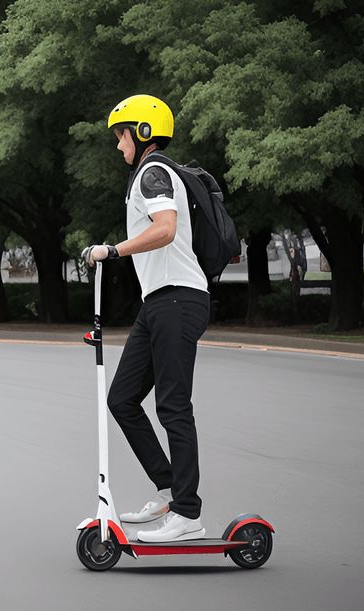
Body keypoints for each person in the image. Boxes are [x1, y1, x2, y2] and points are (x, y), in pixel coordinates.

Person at [83, 94, 210, 543]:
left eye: (120, 136)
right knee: (122, 399)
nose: (118, 146)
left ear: (139, 132)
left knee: (173, 405)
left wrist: (113, 250)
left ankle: (188, 514)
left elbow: (166, 228)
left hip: (179, 299)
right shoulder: (148, 175)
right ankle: (169, 487)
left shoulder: (153, 173)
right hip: (159, 302)